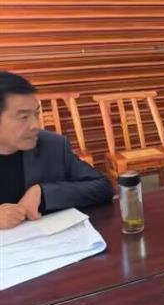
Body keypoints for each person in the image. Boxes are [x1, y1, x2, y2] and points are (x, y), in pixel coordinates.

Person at [0, 72, 113, 230]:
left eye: (36, 114)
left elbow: (103, 187)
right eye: (23, 117)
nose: (35, 125)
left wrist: (45, 194)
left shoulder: (52, 145)